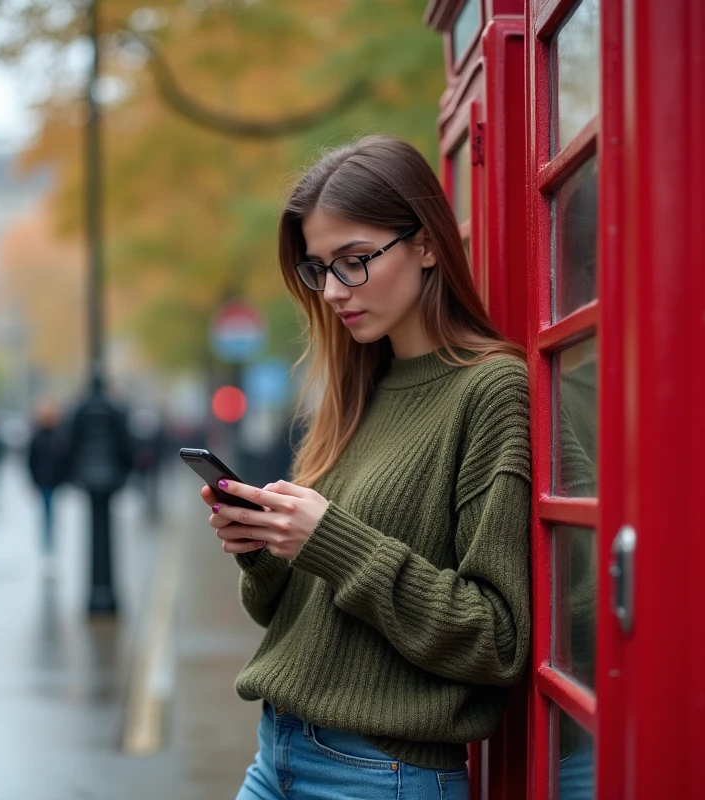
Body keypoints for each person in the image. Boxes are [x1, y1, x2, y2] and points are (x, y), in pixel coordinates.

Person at [197, 136, 532, 800]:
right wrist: (262, 552)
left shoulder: (491, 391)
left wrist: (330, 540)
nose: (332, 291)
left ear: (427, 243)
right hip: (278, 753)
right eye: (318, 268)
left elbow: (497, 639)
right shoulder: (356, 390)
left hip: (382, 775)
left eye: (354, 262)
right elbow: (295, 617)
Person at [26, 400, 61, 567]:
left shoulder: (56, 436)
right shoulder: (42, 437)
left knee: (49, 513)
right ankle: (48, 547)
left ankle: (49, 547)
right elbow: (31, 461)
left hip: (52, 480)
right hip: (45, 481)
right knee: (48, 513)